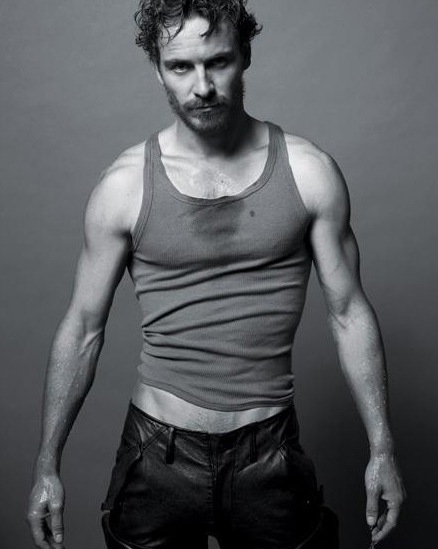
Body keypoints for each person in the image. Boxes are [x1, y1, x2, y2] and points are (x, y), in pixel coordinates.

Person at [27, 1, 405, 548]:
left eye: (218, 62)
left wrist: (382, 448)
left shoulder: (309, 173)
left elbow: (349, 313)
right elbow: (83, 328)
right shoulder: (124, 186)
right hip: (156, 456)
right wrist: (47, 462)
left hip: (270, 455)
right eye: (180, 67)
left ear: (245, 55)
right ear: (158, 70)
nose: (201, 86)